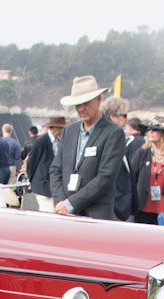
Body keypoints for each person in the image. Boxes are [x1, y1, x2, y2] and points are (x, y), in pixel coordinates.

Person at [48, 76, 125, 219]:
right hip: (65, 213)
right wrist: (62, 202)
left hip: (95, 216)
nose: (81, 108)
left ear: (98, 100)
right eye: (78, 104)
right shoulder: (68, 131)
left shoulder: (114, 133)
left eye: (85, 103)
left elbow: (105, 178)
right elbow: (55, 170)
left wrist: (71, 203)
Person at [130, 116, 164, 224]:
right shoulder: (142, 152)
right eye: (148, 129)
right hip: (143, 207)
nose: (150, 132)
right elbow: (132, 176)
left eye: (154, 129)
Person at [101, 96, 133, 220]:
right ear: (113, 116)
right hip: (112, 206)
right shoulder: (106, 138)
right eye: (124, 116)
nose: (126, 119)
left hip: (121, 206)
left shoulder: (119, 138)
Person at [25, 115, 65, 213]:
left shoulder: (58, 141)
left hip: (52, 185)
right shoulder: (41, 141)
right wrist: (31, 180)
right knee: (48, 212)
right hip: (43, 185)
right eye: (62, 128)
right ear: (55, 128)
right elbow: (31, 162)